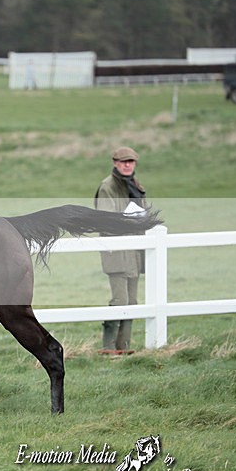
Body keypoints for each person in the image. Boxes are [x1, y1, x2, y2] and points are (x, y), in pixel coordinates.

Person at [94, 146, 148, 354]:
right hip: (116, 253)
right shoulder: (107, 187)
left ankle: (123, 347)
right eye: (124, 161)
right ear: (115, 163)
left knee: (132, 302)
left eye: (131, 162)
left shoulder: (134, 185)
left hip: (134, 252)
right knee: (120, 300)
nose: (127, 165)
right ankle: (108, 347)